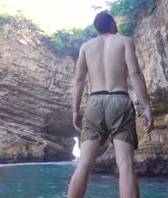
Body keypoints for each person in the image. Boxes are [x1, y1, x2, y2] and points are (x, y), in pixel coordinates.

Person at [68, 11, 154, 198]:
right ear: (113, 24)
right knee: (125, 165)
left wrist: (75, 110)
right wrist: (146, 107)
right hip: (119, 99)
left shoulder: (86, 46)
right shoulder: (125, 41)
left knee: (83, 164)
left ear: (97, 28)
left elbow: (79, 80)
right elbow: (135, 73)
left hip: (94, 102)